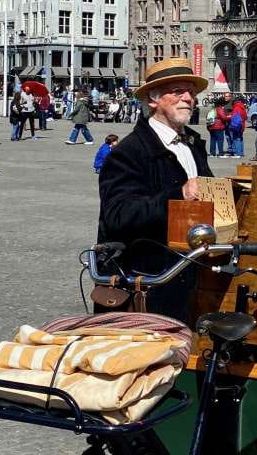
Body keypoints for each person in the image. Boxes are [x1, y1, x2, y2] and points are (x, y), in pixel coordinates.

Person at [98, 58, 214, 322]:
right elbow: (118, 215)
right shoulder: (128, 152)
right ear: (153, 99)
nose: (188, 98)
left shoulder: (194, 143)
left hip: (192, 275)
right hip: (148, 282)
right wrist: (178, 195)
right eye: (178, 91)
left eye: (192, 92)